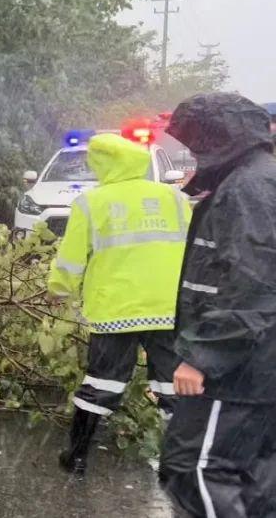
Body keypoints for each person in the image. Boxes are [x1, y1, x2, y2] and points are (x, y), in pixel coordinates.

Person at [158, 93, 276, 517]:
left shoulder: (248, 188)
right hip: (258, 368)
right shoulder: (255, 180)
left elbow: (254, 283)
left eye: (186, 145)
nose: (183, 158)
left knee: (195, 469)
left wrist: (203, 357)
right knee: (256, 481)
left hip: (238, 372)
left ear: (216, 139)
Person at [47, 133, 191, 475]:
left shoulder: (91, 203)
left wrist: (59, 289)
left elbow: (71, 259)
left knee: (102, 382)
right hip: (167, 308)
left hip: (116, 309)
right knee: (172, 386)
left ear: (102, 164)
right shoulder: (173, 198)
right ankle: (181, 462)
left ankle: (77, 456)